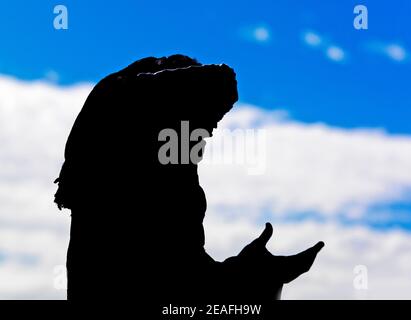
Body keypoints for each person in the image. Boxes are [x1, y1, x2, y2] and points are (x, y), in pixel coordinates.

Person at [54, 54, 324, 301]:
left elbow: (186, 274)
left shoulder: (168, 176)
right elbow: (170, 281)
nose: (208, 133)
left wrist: (255, 269)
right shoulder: (127, 169)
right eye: (205, 122)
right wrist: (257, 274)